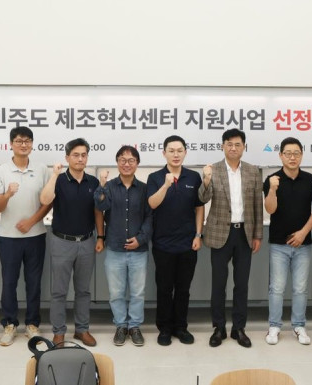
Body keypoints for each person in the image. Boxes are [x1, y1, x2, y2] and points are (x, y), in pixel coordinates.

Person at [198, 128, 263, 348]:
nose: (233, 148)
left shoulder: (253, 171)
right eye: (229, 144)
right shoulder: (213, 170)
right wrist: (206, 180)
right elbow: (202, 198)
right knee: (218, 284)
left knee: (241, 284)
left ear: (244, 147)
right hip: (219, 234)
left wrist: (257, 235)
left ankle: (239, 328)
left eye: (237, 144)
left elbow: (257, 205)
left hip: (244, 233)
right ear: (222, 146)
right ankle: (219, 327)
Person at [40, 138, 104, 347]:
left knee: (83, 290)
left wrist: (100, 237)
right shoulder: (58, 180)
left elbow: (98, 211)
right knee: (59, 291)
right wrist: (54, 175)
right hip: (62, 241)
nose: (80, 159)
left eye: (83, 155)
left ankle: (82, 330)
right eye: (75, 155)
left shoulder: (93, 182)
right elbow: (45, 200)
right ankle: (58, 332)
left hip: (87, 241)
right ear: (67, 157)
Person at [0, 126, 51, 346]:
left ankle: (32, 324)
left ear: (32, 144)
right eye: (19, 141)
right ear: (11, 144)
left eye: (27, 141)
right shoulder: (0, 171)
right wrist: (8, 194)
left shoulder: (42, 169)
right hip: (8, 237)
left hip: (36, 235)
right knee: (9, 282)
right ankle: (10, 324)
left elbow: (48, 201)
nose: (23, 144)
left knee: (34, 282)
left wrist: (31, 221)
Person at [147, 135, 205, 346]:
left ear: (185, 152)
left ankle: (181, 327)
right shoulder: (155, 177)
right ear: (164, 153)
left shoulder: (194, 177)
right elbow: (152, 204)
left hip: (188, 243)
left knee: (183, 289)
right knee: (164, 289)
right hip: (163, 244)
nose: (176, 154)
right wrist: (165, 185)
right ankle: (164, 328)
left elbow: (199, 207)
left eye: (180, 150)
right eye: (171, 151)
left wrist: (198, 235)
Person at [262, 137, 312, 346]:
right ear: (281, 156)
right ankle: (274, 325)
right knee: (276, 288)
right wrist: (272, 189)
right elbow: (270, 209)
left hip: (303, 243)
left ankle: (299, 325)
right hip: (279, 243)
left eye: (296, 153)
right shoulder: (272, 179)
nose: (292, 157)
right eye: (288, 153)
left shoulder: (311, 180)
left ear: (301, 155)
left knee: (300, 288)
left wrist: (303, 233)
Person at [95, 146, 152, 346]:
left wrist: (141, 239)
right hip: (114, 249)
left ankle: (134, 326)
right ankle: (121, 325)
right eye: (122, 160)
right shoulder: (109, 186)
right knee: (116, 293)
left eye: (131, 160)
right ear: (117, 162)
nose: (126, 164)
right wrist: (102, 185)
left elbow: (150, 217)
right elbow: (100, 206)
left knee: (138, 293)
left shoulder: (145, 189)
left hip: (139, 250)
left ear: (137, 163)